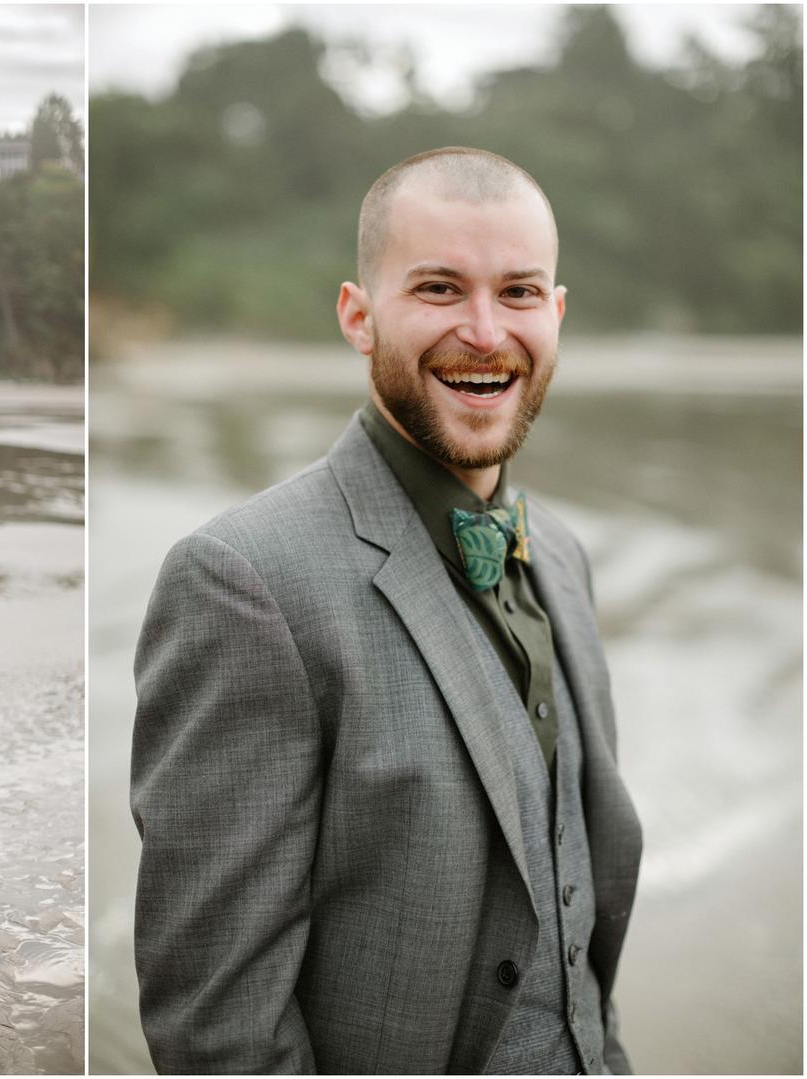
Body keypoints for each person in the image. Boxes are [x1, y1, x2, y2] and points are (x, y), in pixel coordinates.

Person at [131, 148, 642, 1074]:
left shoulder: (562, 553)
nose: (485, 333)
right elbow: (217, 1031)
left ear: (557, 314)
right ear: (359, 318)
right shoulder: (241, 580)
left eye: (519, 292)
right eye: (440, 288)